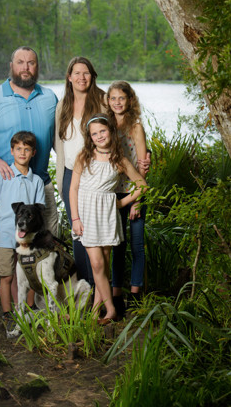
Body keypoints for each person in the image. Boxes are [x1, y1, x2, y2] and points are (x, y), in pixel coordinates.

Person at [0, 46, 59, 236]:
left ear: (37, 67)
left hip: (41, 184)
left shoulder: (50, 98)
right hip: (4, 184)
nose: (26, 67)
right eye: (20, 62)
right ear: (11, 66)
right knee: (6, 249)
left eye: (31, 63)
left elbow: (59, 139)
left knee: (49, 247)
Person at [69, 114, 147, 324]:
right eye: (94, 134)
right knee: (96, 264)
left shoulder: (119, 160)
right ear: (90, 138)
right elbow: (73, 188)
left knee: (102, 265)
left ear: (111, 131)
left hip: (107, 213)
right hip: (86, 213)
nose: (99, 136)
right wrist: (75, 218)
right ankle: (111, 308)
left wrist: (121, 203)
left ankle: (96, 310)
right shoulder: (83, 157)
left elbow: (141, 185)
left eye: (102, 131)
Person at [54, 57, 107, 287]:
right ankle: (84, 287)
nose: (81, 77)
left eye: (85, 73)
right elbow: (59, 142)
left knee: (97, 232)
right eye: (76, 73)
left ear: (92, 76)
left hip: (95, 175)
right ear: (69, 77)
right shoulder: (62, 104)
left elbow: (114, 135)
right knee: (77, 230)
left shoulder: (103, 101)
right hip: (68, 175)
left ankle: (101, 289)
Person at [0, 131, 45, 337]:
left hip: (27, 239)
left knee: (29, 273)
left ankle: (28, 310)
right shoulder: (3, 174)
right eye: (18, 149)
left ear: (33, 153)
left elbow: (38, 210)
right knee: (6, 276)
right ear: (11, 151)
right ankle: (7, 314)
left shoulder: (36, 180)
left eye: (26, 149)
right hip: (3, 236)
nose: (22, 153)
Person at [107, 81, 149, 316]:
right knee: (117, 245)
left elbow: (142, 164)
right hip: (113, 192)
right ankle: (116, 293)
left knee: (136, 244)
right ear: (108, 101)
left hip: (134, 191)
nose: (117, 102)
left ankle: (135, 294)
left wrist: (138, 200)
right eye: (113, 98)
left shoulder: (135, 126)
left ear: (129, 100)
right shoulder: (107, 124)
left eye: (121, 98)